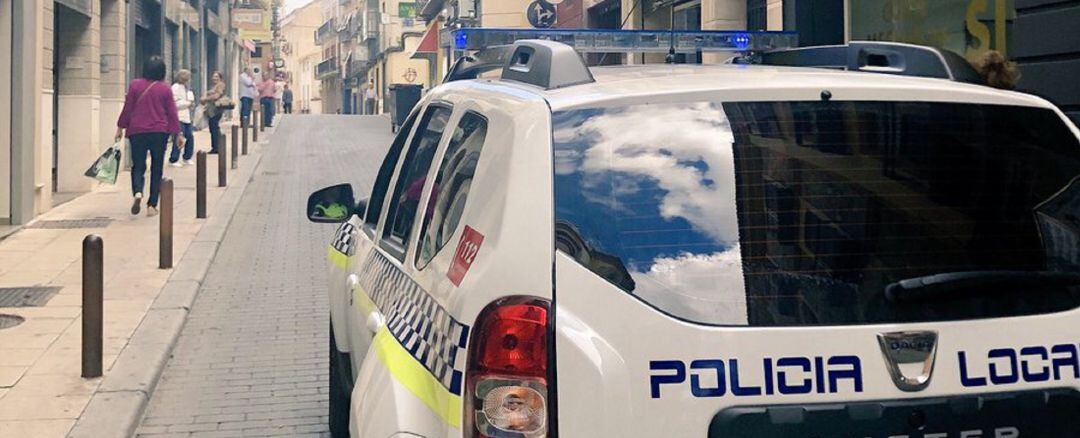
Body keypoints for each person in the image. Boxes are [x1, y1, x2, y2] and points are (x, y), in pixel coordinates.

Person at [115, 55, 180, 217]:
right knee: (157, 166)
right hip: (159, 131)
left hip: (137, 131)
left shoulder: (135, 85)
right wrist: (177, 133)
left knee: (138, 165)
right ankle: (152, 205)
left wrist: (120, 127)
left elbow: (128, 108)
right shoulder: (165, 89)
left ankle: (137, 191)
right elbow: (172, 112)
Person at [169, 69, 196, 167]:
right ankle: (174, 159)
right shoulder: (175, 87)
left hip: (187, 117)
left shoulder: (187, 88)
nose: (188, 78)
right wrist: (188, 104)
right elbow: (174, 103)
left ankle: (187, 157)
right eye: (186, 76)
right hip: (178, 116)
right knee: (179, 138)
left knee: (189, 137)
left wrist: (191, 102)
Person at [201, 71, 226, 154]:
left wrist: (206, 99)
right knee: (213, 128)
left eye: (216, 76)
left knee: (214, 128)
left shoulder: (220, 85)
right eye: (213, 76)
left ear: (220, 78)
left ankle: (216, 147)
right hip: (211, 110)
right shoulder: (215, 86)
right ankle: (216, 146)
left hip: (216, 110)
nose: (214, 78)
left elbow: (217, 96)